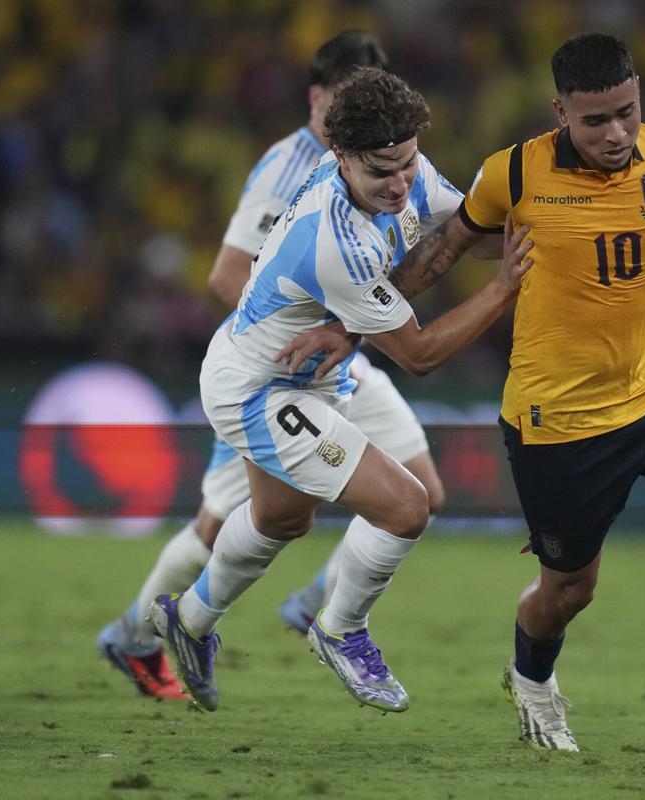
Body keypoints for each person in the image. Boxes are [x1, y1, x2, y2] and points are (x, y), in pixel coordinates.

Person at [284, 32, 645, 752]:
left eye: (626, 112)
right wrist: (349, 327)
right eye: (596, 121)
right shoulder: (515, 175)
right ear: (561, 113)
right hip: (556, 422)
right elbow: (438, 255)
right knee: (569, 591)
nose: (616, 133)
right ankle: (530, 678)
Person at [148, 65, 532, 714]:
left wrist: (551, 233)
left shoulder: (398, 165)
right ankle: (340, 629)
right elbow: (420, 354)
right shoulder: (332, 242)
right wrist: (504, 291)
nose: (400, 183)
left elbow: (460, 235)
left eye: (407, 164)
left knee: (281, 518)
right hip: (259, 389)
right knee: (407, 508)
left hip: (315, 369)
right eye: (382, 172)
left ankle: (185, 620)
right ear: (339, 156)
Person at [95, 32, 449, 701]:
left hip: (339, 352)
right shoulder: (292, 170)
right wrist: (315, 316)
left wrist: (345, 323)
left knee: (418, 492)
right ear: (320, 102)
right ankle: (136, 635)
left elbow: (432, 239)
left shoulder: (387, 171)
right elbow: (231, 276)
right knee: (226, 520)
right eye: (345, 102)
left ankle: (312, 603)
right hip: (275, 366)